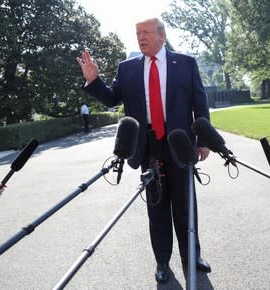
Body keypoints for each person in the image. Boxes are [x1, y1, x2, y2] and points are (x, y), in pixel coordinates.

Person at [76, 17, 211, 284]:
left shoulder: (185, 63)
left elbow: (200, 101)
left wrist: (203, 139)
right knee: (157, 207)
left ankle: (192, 256)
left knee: (186, 205)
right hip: (148, 144)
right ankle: (162, 261)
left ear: (161, 35)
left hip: (180, 143)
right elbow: (113, 97)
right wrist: (94, 81)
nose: (141, 37)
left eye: (146, 32)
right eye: (138, 33)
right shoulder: (127, 68)